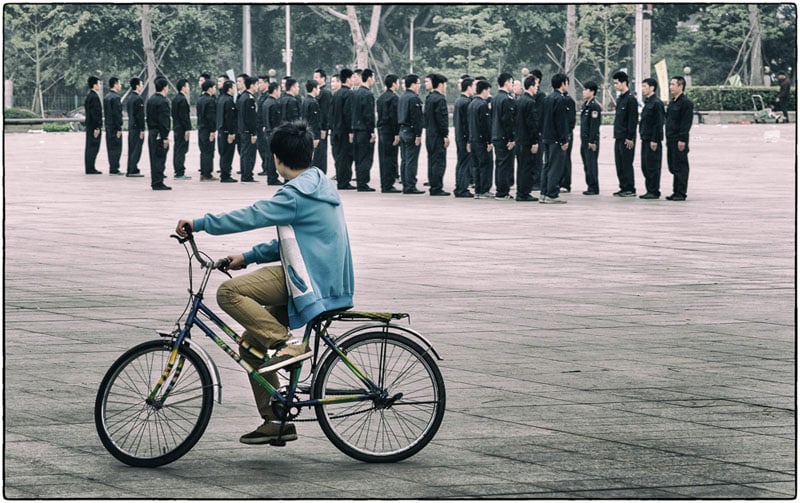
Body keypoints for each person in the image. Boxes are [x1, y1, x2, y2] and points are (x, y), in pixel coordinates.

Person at [175, 120, 354, 445]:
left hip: (307, 279)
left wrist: (199, 223)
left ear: (276, 158)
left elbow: (251, 215)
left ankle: (286, 344)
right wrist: (248, 256)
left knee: (229, 291)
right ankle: (276, 420)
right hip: (323, 276)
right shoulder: (318, 184)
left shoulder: (294, 195)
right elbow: (297, 241)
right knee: (251, 346)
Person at [539, 73, 572, 204]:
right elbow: (561, 122)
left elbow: (541, 118)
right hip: (556, 139)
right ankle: (552, 194)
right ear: (563, 83)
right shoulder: (561, 99)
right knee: (555, 166)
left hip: (546, 137)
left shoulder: (547, 99)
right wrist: (564, 139)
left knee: (546, 165)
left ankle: (544, 192)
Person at [665, 75, 694, 201]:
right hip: (670, 139)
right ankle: (675, 190)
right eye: (670, 84)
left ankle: (681, 192)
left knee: (680, 167)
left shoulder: (686, 103)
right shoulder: (672, 102)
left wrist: (682, 139)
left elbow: (686, 123)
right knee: (673, 166)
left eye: (673, 84)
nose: (670, 87)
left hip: (679, 140)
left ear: (680, 86)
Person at [397, 74, 425, 194]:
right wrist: (418, 135)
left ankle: (405, 183)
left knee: (404, 159)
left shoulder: (402, 97)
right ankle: (410, 185)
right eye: (418, 83)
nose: (419, 86)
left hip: (402, 129)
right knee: (411, 160)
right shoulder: (414, 99)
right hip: (410, 131)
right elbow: (416, 118)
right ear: (413, 84)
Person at [350, 68, 377, 191]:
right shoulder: (368, 94)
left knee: (358, 157)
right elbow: (369, 115)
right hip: (365, 131)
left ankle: (360, 181)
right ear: (370, 78)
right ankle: (363, 183)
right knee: (366, 157)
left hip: (356, 129)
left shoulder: (355, 93)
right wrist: (372, 131)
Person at [612, 71, 638, 197]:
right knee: (619, 163)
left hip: (626, 137)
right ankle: (623, 186)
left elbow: (632, 120)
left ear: (624, 83)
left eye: (617, 83)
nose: (615, 85)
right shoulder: (620, 99)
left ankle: (630, 188)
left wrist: (630, 137)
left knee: (627, 163)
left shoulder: (631, 100)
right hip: (618, 136)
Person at [514, 75, 539, 201]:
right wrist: (535, 141)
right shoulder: (530, 102)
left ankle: (521, 191)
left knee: (521, 167)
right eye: (536, 86)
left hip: (519, 139)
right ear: (531, 86)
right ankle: (524, 193)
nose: (537, 88)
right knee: (527, 167)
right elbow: (532, 124)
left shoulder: (519, 100)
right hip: (527, 140)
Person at [638, 78, 665, 199]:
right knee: (645, 166)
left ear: (652, 88)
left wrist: (655, 139)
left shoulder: (657, 103)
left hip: (652, 140)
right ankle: (649, 189)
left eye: (644, 86)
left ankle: (654, 190)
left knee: (652, 166)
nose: (642, 89)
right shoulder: (648, 102)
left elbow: (658, 123)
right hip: (645, 138)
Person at [424, 73, 450, 196]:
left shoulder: (429, 98)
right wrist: (445, 134)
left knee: (432, 161)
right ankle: (437, 187)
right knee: (439, 161)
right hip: (438, 135)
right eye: (445, 85)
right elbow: (442, 119)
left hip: (430, 133)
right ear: (440, 84)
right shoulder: (440, 99)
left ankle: (433, 184)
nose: (446, 87)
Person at [492, 73, 516, 200]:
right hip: (504, 137)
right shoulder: (507, 99)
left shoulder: (495, 98)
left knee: (500, 164)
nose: (512, 85)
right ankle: (502, 192)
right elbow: (508, 120)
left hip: (496, 135)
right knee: (505, 165)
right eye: (512, 83)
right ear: (506, 82)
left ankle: (500, 190)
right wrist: (511, 138)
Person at [468, 79, 493, 199]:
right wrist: (489, 141)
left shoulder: (472, 103)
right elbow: (485, 125)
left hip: (473, 139)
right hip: (481, 140)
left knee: (476, 166)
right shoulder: (482, 105)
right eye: (488, 90)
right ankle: (484, 190)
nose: (488, 93)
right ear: (484, 90)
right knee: (484, 165)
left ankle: (477, 190)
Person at [146, 77, 172, 190]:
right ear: (164, 87)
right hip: (160, 133)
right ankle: (158, 182)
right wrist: (165, 136)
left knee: (154, 157)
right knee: (160, 157)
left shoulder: (150, 99)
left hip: (152, 132)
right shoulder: (164, 101)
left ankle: (155, 180)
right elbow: (164, 120)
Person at [376, 74, 401, 193]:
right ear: (394, 84)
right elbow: (394, 117)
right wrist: (397, 133)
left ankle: (384, 183)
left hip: (381, 129)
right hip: (390, 131)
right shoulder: (394, 98)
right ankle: (389, 185)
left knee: (383, 157)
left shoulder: (380, 98)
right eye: (398, 82)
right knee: (391, 158)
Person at [331, 69, 355, 190]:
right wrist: (351, 131)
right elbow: (348, 114)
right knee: (346, 157)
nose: (353, 81)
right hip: (345, 131)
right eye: (352, 78)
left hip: (336, 130)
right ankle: (345, 181)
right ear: (348, 79)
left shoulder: (336, 94)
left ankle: (341, 180)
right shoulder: (349, 94)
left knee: (339, 156)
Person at [452, 77, 474, 198]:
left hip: (459, 135)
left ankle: (459, 186)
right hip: (465, 137)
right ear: (469, 87)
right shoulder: (466, 102)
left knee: (461, 162)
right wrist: (469, 139)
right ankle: (462, 188)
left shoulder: (459, 101)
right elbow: (467, 123)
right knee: (464, 163)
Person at [579, 81, 602, 195]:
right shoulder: (586, 105)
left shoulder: (594, 107)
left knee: (591, 163)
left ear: (592, 91)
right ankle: (589, 185)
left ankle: (593, 187)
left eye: (586, 89)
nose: (583, 92)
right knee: (586, 163)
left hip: (590, 140)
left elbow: (594, 125)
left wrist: (592, 141)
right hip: (584, 140)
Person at [261, 82, 284, 185]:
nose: (280, 92)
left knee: (269, 155)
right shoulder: (274, 104)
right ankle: (272, 177)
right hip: (273, 132)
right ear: (275, 90)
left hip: (267, 132)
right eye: (279, 90)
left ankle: (271, 176)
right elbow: (276, 121)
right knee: (272, 156)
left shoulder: (266, 102)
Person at [237, 76, 258, 182]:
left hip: (242, 130)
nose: (257, 87)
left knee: (244, 153)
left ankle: (245, 174)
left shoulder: (242, 97)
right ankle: (247, 175)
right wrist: (253, 133)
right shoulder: (249, 98)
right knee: (248, 154)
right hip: (248, 131)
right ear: (252, 85)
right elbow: (250, 118)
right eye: (256, 84)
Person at [217, 79, 238, 183]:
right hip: (226, 132)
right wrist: (231, 132)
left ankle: (224, 173)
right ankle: (225, 175)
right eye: (234, 87)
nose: (235, 89)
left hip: (221, 131)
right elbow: (229, 118)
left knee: (223, 153)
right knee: (227, 154)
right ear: (230, 89)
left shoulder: (221, 99)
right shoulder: (229, 101)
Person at [196, 79, 218, 181]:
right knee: (209, 151)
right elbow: (211, 117)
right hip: (208, 129)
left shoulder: (200, 99)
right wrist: (213, 131)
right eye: (214, 87)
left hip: (201, 128)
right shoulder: (210, 100)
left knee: (203, 151)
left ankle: (203, 172)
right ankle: (207, 174)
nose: (215, 89)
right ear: (210, 88)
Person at [171, 79, 192, 180]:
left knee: (177, 149)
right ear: (183, 87)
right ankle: (180, 172)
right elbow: (184, 117)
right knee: (181, 150)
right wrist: (187, 129)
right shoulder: (182, 100)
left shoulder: (175, 99)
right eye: (187, 86)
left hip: (176, 127)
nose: (188, 88)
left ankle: (178, 170)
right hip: (182, 129)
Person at [313, 68, 333, 173]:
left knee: (321, 153)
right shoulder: (317, 92)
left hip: (322, 128)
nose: (314, 79)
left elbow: (325, 112)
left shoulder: (325, 93)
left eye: (316, 77)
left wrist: (324, 128)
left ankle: (321, 174)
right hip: (316, 127)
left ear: (323, 79)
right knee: (316, 153)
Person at [125, 78, 145, 177]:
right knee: (137, 149)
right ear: (137, 86)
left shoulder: (129, 98)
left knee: (131, 149)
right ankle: (132, 169)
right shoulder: (138, 99)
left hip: (131, 126)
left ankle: (131, 168)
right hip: (137, 128)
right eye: (141, 84)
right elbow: (140, 116)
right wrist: (142, 129)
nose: (142, 85)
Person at [103, 77, 124, 175]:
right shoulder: (116, 97)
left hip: (108, 125)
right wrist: (119, 127)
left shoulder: (107, 97)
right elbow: (117, 114)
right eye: (119, 83)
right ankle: (115, 168)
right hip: (115, 127)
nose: (120, 85)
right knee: (116, 147)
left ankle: (112, 167)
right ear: (115, 84)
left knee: (110, 147)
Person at [531, 69, 546, 190]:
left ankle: (537, 181)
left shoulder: (540, 95)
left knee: (537, 158)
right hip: (530, 130)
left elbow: (540, 115)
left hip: (538, 130)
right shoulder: (529, 95)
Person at [84, 76, 103, 174]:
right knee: (93, 146)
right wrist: (97, 127)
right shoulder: (94, 97)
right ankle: (90, 168)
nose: (100, 85)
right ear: (94, 85)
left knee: (90, 146)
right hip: (93, 126)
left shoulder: (90, 96)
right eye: (99, 83)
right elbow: (95, 114)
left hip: (90, 125)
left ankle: (90, 167)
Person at [559, 88, 577, 193]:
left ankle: (565, 183)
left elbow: (571, 119)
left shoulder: (568, 101)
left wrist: (567, 133)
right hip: (558, 134)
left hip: (566, 133)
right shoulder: (555, 98)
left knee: (565, 158)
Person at [256, 76, 271, 176]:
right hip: (259, 125)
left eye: (261, 83)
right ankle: (265, 166)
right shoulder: (261, 96)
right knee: (261, 147)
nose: (259, 85)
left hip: (265, 126)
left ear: (266, 83)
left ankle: (267, 167)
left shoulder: (268, 96)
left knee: (265, 147)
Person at [301, 80, 322, 153]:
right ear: (314, 89)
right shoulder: (313, 102)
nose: (319, 90)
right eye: (318, 88)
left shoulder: (304, 100)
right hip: (312, 134)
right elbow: (314, 121)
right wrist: (315, 137)